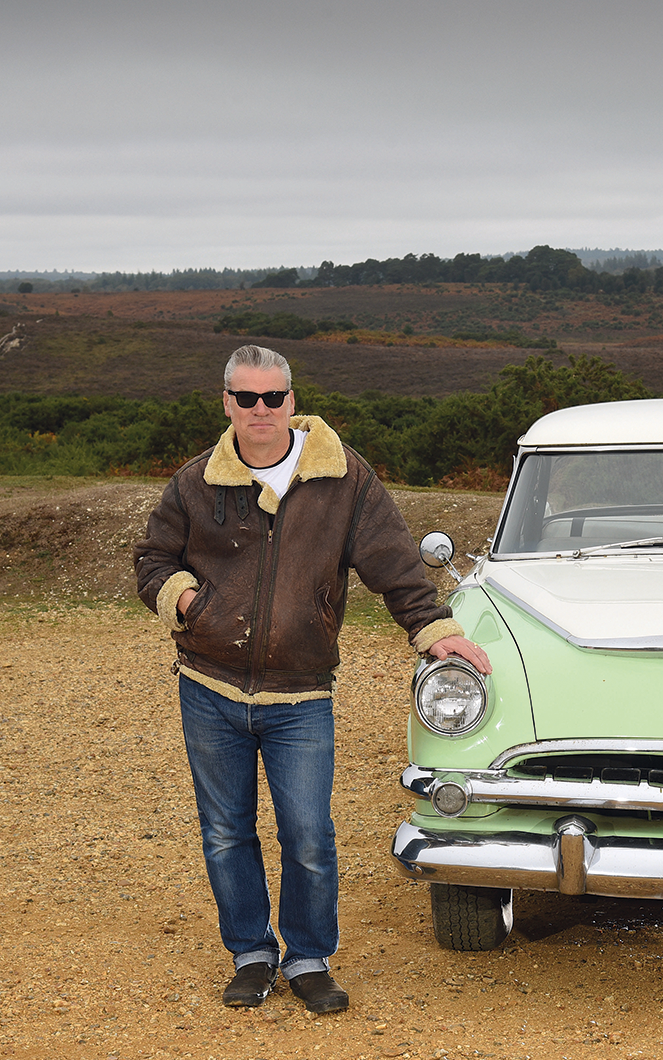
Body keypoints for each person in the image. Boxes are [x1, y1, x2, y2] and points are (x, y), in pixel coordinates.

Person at [133, 345, 490, 1014]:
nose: (260, 410)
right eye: (247, 398)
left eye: (273, 397)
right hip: (210, 685)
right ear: (227, 403)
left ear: (292, 402)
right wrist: (190, 603)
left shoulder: (344, 479)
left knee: (307, 834)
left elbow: (394, 564)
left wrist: (438, 633)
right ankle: (250, 953)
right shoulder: (193, 483)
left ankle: (307, 958)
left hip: (301, 695)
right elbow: (153, 559)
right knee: (225, 830)